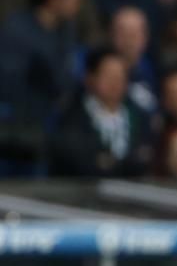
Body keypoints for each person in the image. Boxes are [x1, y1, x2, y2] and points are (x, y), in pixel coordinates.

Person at [50, 48, 155, 178]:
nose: (115, 82)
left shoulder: (140, 116)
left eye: (120, 76)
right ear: (90, 78)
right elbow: (78, 162)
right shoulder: (72, 117)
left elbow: (147, 158)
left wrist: (111, 163)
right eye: (108, 76)